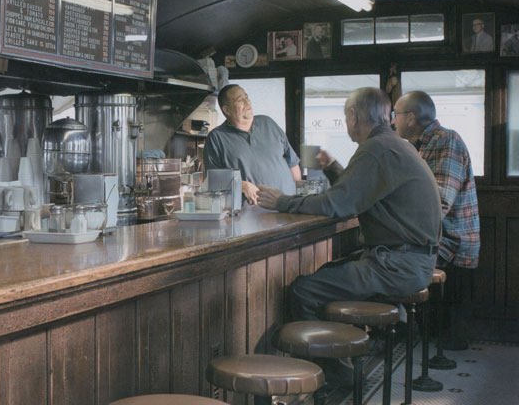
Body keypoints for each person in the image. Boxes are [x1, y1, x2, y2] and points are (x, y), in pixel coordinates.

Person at [257, 87, 441, 321]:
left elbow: (336, 204)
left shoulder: (376, 149)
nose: (346, 123)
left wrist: (281, 201)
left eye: (345, 117)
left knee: (304, 290)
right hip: (409, 261)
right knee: (326, 274)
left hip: (398, 266)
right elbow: (358, 192)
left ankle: (325, 357)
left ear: (353, 116)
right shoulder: (394, 144)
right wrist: (333, 167)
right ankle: (354, 345)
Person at [393, 90, 480, 349]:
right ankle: (396, 329)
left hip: (452, 243)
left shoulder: (446, 140)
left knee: (381, 260)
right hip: (437, 239)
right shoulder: (422, 144)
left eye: (395, 114)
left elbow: (439, 204)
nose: (391, 121)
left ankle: (390, 331)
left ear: (410, 118)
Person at [203, 84, 301, 204]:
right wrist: (241, 185)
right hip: (251, 212)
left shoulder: (268, 123)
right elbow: (213, 179)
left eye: (246, 96)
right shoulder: (217, 137)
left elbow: (292, 163)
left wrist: (298, 197)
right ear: (227, 110)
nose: (247, 101)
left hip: (287, 204)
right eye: (240, 100)